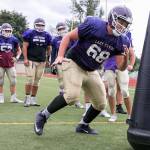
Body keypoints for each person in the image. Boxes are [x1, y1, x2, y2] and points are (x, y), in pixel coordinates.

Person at [34, 5, 133, 135]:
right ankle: (43, 115)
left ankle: (83, 125)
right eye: (121, 21)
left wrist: (126, 59)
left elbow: (121, 67)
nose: (123, 26)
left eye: (126, 24)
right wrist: (59, 56)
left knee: (101, 104)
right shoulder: (94, 25)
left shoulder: (122, 40)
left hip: (91, 69)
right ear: (112, 18)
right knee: (72, 96)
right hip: (74, 62)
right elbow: (68, 36)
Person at [51, 22, 84, 108]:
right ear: (57, 31)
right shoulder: (55, 40)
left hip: (70, 62)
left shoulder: (72, 38)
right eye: (59, 29)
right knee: (62, 84)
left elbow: (75, 49)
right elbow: (53, 52)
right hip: (60, 62)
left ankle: (76, 101)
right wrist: (52, 63)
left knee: (74, 82)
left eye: (63, 29)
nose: (62, 31)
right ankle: (61, 100)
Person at [103, 34, 135, 122]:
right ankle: (113, 114)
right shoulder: (106, 36)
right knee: (111, 91)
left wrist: (131, 65)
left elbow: (132, 54)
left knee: (125, 91)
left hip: (122, 67)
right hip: (109, 66)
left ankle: (130, 115)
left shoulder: (125, 39)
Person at [22, 18, 52, 107]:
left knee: (37, 81)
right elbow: (24, 46)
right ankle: (27, 98)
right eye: (38, 25)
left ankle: (33, 98)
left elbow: (49, 48)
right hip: (31, 59)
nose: (40, 27)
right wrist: (25, 59)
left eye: (42, 25)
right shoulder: (30, 33)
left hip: (41, 61)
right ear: (35, 25)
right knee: (30, 79)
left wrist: (47, 59)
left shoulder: (47, 35)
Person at [0, 23, 22, 103]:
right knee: (0, 80)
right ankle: (1, 97)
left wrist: (17, 58)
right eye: (6, 30)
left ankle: (13, 97)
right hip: (0, 64)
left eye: (9, 30)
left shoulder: (14, 39)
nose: (8, 32)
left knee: (13, 80)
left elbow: (19, 50)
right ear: (2, 30)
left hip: (10, 64)